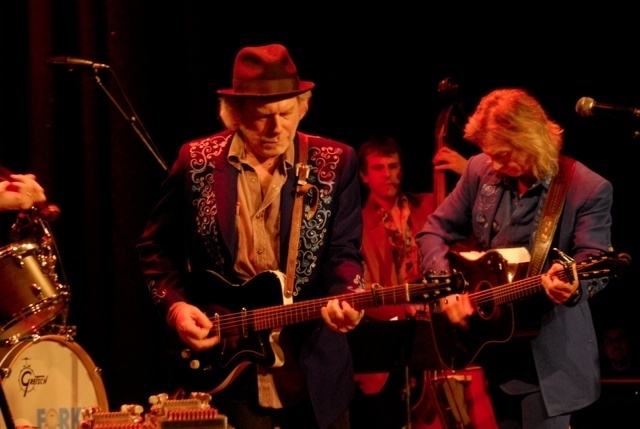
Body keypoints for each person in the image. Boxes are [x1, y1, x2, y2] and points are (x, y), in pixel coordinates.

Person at [136, 43, 365, 429]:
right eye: (261, 117)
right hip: (226, 366)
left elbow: (344, 251)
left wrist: (346, 297)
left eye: (286, 114)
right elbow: (155, 247)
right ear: (235, 115)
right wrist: (176, 308)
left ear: (302, 107)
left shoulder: (335, 162)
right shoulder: (196, 162)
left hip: (313, 365)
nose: (276, 128)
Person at [416, 88, 614, 428]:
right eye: (489, 154)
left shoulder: (587, 187)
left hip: (551, 365)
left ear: (532, 139)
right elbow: (434, 230)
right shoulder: (481, 170)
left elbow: (593, 259)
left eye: (503, 154)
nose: (494, 163)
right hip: (493, 350)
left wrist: (574, 285)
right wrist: (445, 286)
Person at [350, 135, 468, 429]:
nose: (389, 174)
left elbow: (476, 216)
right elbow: (360, 290)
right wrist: (403, 309)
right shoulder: (356, 225)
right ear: (364, 176)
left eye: (394, 166)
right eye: (379, 168)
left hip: (441, 331)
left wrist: (467, 170)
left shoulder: (431, 204)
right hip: (392, 340)